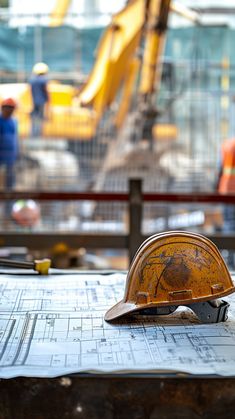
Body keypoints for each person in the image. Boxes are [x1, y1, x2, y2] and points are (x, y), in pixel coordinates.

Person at [0, 97, 18, 190]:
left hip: (10, 156)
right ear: (3, 108)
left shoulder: (14, 121)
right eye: (7, 108)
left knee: (9, 181)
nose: (10, 110)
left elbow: (15, 138)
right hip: (1, 154)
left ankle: (9, 198)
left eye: (11, 108)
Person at [29, 62, 49, 137]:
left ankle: (33, 135)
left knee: (34, 118)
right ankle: (38, 135)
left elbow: (30, 91)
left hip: (34, 102)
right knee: (40, 119)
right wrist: (49, 100)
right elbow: (46, 91)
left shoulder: (32, 80)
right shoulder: (43, 80)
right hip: (41, 102)